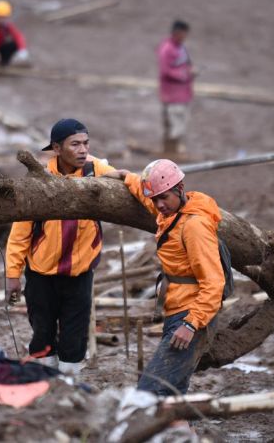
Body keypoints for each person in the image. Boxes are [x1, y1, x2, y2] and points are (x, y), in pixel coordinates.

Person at [104, 159, 224, 396]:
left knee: (150, 390)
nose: (159, 205)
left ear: (180, 189)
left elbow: (214, 282)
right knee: (173, 393)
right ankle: (180, 432)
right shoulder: (172, 214)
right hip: (176, 309)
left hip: (190, 315)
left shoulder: (194, 226)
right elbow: (151, 197)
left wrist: (190, 324)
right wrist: (129, 178)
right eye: (155, 199)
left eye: (164, 197)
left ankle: (165, 430)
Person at [5, 119, 114, 375]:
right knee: (42, 332)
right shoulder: (40, 181)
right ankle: (45, 382)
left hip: (79, 275)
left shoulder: (95, 171)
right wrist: (12, 275)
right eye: (74, 144)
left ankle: (68, 385)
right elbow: (19, 233)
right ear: (56, 148)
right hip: (41, 275)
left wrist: (127, 178)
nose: (82, 150)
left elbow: (129, 182)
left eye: (86, 143)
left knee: (74, 336)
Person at [158, 20, 195, 157]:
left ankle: (173, 151)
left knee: (180, 124)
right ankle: (169, 153)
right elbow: (165, 71)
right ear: (177, 33)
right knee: (173, 125)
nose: (185, 37)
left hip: (183, 93)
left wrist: (191, 71)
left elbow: (187, 64)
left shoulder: (181, 47)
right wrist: (185, 75)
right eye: (184, 34)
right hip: (172, 95)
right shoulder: (167, 49)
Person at [0, 0, 30, 66]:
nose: (1, 20)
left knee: (13, 44)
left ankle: (3, 62)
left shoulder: (6, 26)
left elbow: (18, 36)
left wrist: (22, 49)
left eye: (3, 17)